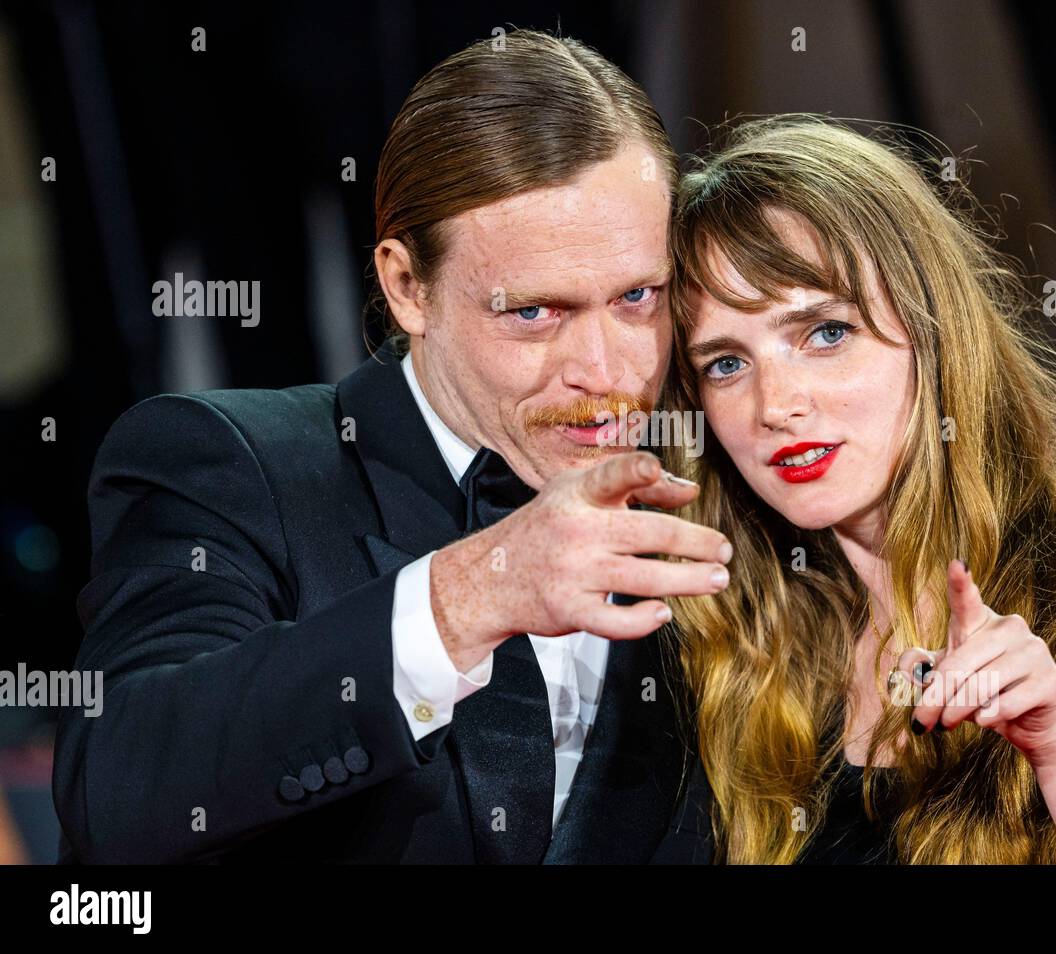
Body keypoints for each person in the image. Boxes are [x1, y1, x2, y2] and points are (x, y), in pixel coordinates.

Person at [52, 29, 733, 864]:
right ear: (407, 286)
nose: (603, 370)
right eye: (533, 313)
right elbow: (119, 793)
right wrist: (471, 596)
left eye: (637, 297)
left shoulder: (730, 492)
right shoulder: (227, 464)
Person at [651, 116, 1056, 864]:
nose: (775, 404)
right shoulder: (730, 634)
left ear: (935, 330)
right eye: (726, 364)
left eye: (825, 333)